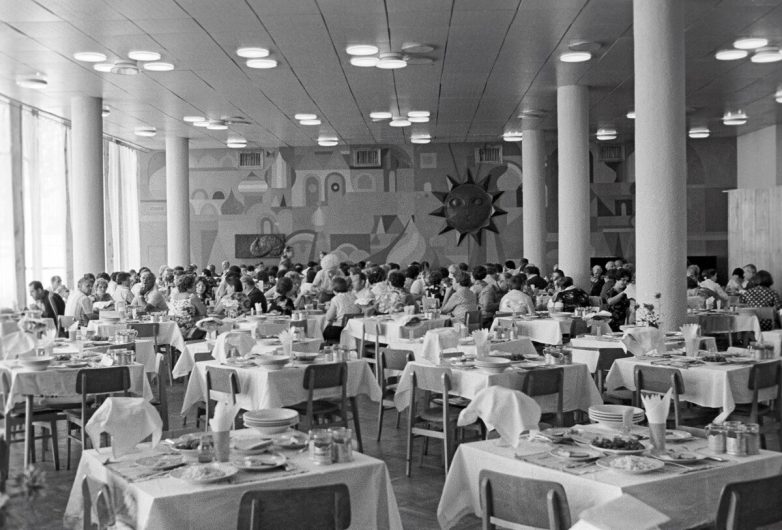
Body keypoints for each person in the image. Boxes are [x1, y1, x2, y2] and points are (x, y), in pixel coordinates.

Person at [169, 274, 207, 338]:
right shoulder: (192, 297)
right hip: (188, 331)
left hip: (175, 330)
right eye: (194, 284)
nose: (196, 286)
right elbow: (203, 312)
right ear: (189, 286)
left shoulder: (174, 297)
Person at [323, 277, 359, 341]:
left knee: (324, 330)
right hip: (354, 329)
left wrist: (328, 308)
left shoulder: (336, 299)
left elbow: (329, 317)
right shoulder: (354, 297)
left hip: (340, 331)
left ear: (333, 289)